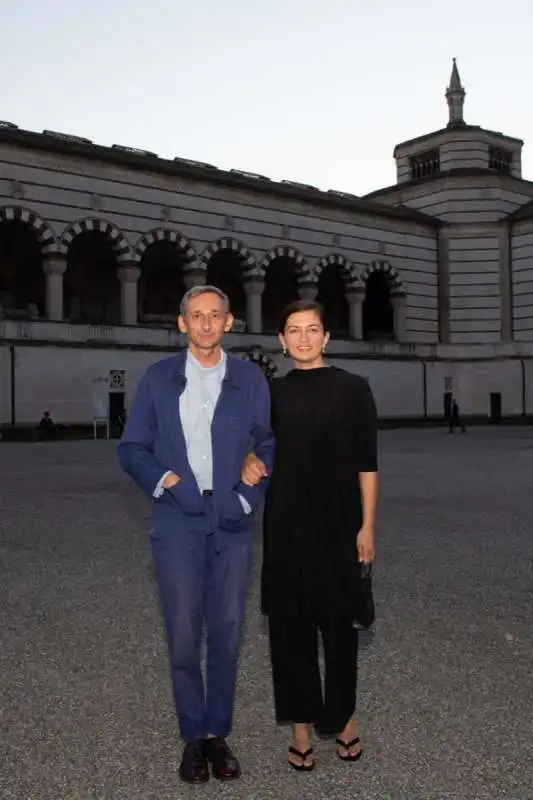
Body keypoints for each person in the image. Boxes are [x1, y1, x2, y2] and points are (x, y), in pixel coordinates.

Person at [118, 285, 275, 785]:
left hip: (232, 519)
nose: (206, 324)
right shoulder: (159, 379)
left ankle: (217, 734)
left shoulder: (249, 378)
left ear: (229, 323)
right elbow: (132, 448)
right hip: (178, 520)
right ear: (181, 323)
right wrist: (168, 483)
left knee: (227, 631)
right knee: (184, 633)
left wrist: (249, 491)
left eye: (215, 316)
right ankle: (192, 736)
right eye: (196, 316)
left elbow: (269, 441)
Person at [242, 299, 379, 772]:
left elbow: (368, 463)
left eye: (312, 328)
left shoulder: (353, 389)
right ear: (281, 340)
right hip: (286, 526)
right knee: (289, 632)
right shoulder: (269, 393)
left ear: (327, 337)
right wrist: (247, 460)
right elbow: (254, 446)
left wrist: (368, 526)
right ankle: (301, 729)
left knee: (339, 631)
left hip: (340, 526)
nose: (303, 337)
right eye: (293, 330)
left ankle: (344, 721)